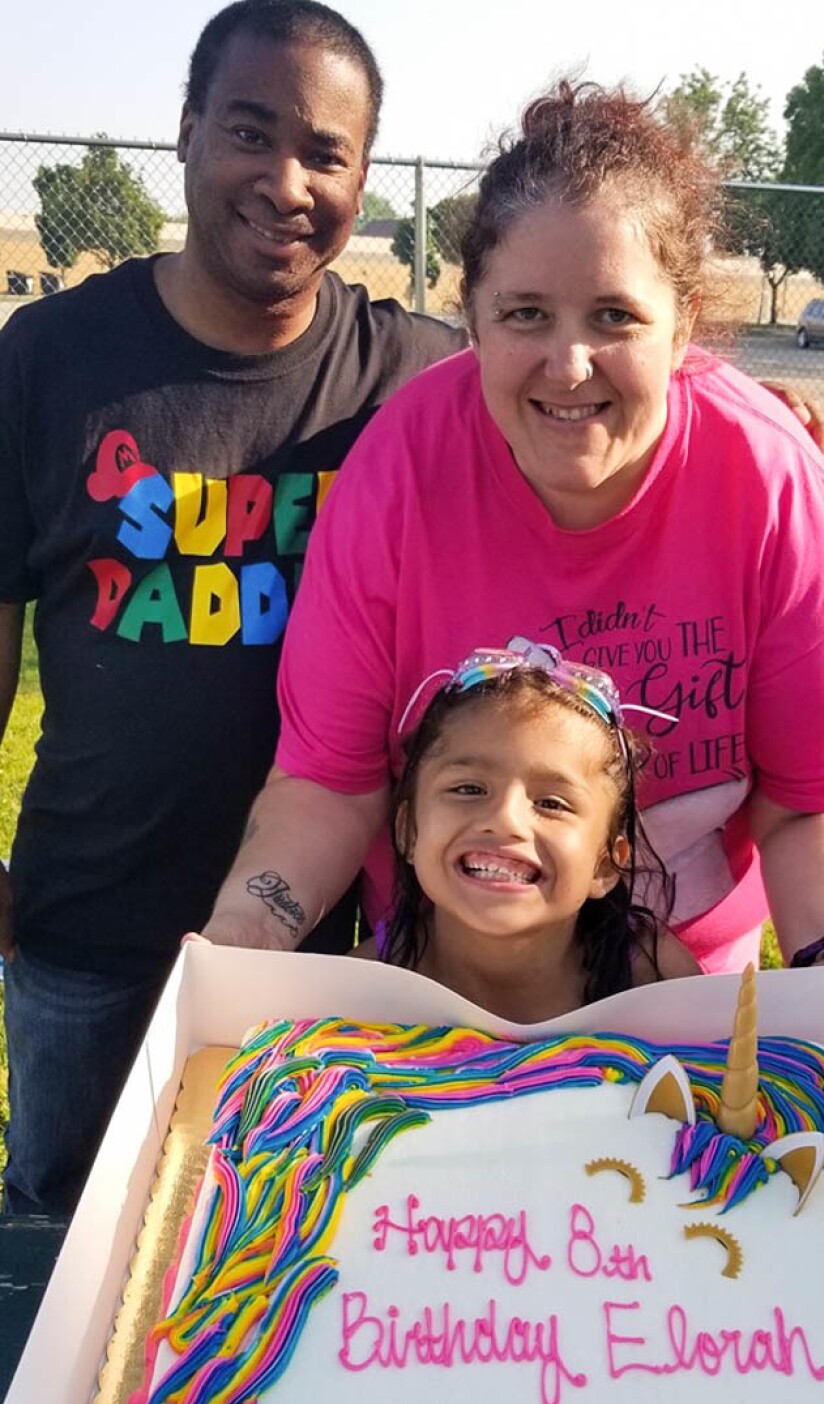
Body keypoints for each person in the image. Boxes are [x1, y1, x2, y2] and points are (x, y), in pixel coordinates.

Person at [203, 80, 824, 983]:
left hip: (681, 993)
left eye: (615, 316)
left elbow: (813, 801)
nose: (569, 367)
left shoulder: (770, 484)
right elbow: (331, 777)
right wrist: (248, 932)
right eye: (526, 313)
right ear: (473, 320)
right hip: (444, 986)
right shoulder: (399, 470)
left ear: (682, 328)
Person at [0, 0, 463, 1217]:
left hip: (307, 947)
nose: (285, 181)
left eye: (326, 154)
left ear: (364, 178)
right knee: (57, 1242)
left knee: (272, 1260)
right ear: (189, 133)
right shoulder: (49, 359)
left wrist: (729, 413)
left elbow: (567, 362)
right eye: (251, 133)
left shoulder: (409, 378)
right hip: (85, 923)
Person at [353, 639, 699, 1022]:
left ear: (604, 866)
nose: (506, 819)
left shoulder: (654, 980)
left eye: (551, 803)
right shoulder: (361, 989)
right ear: (409, 832)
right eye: (468, 789)